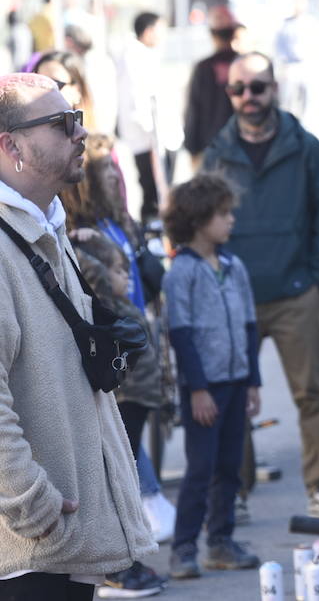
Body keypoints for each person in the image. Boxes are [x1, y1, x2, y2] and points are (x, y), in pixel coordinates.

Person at [0, 72, 156, 600]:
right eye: (62, 123)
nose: (79, 134)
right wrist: (31, 502)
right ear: (11, 145)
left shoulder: (44, 223)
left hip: (62, 545)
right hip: (27, 551)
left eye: (78, 120)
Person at [200, 53, 319, 521]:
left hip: (294, 291)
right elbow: (201, 221)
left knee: (311, 395)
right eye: (240, 89)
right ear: (230, 95)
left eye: (258, 87)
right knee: (231, 400)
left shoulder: (304, 146)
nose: (249, 97)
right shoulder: (217, 151)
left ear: (273, 89)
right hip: (236, 297)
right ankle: (235, 494)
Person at [60, 134, 178, 551]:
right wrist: (107, 268)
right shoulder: (77, 235)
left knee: (134, 440)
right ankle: (134, 533)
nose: (114, 174)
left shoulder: (119, 222)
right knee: (121, 448)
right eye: (104, 169)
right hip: (120, 358)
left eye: (114, 166)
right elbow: (95, 289)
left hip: (144, 347)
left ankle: (144, 517)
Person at [161, 174, 262, 579]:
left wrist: (253, 380)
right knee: (200, 469)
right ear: (199, 220)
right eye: (223, 214)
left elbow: (250, 325)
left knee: (229, 466)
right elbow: (181, 335)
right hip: (205, 387)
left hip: (237, 381)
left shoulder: (234, 266)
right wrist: (198, 389)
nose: (230, 220)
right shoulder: (180, 272)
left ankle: (221, 541)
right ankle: (184, 548)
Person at [68, 233, 168, 597]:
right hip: (124, 397)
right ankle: (120, 569)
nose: (126, 276)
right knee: (117, 482)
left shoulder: (123, 301)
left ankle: (128, 562)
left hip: (141, 397)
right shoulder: (102, 297)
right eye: (118, 270)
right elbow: (85, 271)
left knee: (127, 480)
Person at [116, 12, 177, 222]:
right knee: (153, 191)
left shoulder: (145, 54)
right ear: (149, 31)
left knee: (162, 189)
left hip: (159, 135)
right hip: (149, 138)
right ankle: (153, 233)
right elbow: (136, 98)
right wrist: (151, 131)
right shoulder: (134, 57)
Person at [183, 6, 245, 169]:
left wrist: (192, 148)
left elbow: (193, 109)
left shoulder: (203, 67)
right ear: (234, 33)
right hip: (243, 146)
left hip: (209, 147)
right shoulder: (245, 65)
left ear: (211, 34)